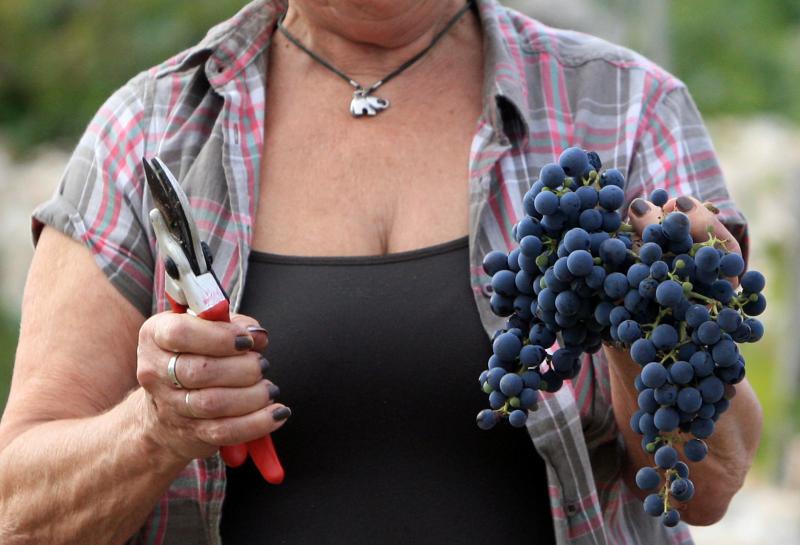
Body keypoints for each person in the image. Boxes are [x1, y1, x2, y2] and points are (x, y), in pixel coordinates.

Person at [0, 0, 762, 543]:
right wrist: (154, 429)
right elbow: (20, 512)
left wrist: (658, 318)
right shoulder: (151, 130)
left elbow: (705, 487)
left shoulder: (625, 107)